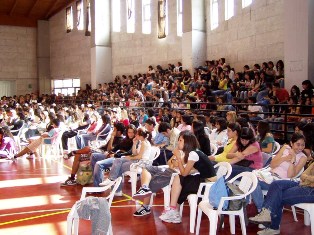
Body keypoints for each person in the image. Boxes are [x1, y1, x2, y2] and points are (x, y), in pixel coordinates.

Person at [132, 131, 216, 220]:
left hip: (207, 184)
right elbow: (176, 165)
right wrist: (177, 159)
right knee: (150, 171)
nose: (178, 142)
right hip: (201, 179)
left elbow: (184, 172)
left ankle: (168, 209)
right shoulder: (192, 152)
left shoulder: (193, 154)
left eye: (180, 140)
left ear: (187, 143)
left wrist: (178, 158)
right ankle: (170, 208)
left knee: (176, 178)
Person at [249, 162, 314, 235]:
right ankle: (267, 213)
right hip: (302, 184)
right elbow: (303, 175)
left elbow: (305, 176)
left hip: (311, 190)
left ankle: (273, 227)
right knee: (276, 184)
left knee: (278, 196)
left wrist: (307, 178)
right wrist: (308, 178)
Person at [251, 133, 307, 212]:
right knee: (250, 178)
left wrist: (293, 160)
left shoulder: (303, 157)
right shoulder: (285, 148)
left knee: (253, 181)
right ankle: (262, 208)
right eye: (298, 144)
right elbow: (272, 164)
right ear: (291, 143)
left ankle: (261, 209)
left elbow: (290, 176)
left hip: (280, 182)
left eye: (303, 145)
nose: (300, 147)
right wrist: (285, 158)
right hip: (270, 175)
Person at [99, 128, 152, 195]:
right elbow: (135, 153)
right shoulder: (141, 142)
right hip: (137, 160)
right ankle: (112, 181)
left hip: (141, 162)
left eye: (137, 134)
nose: (135, 136)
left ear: (140, 136)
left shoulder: (144, 143)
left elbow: (140, 156)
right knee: (117, 160)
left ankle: (115, 186)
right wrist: (134, 144)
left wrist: (129, 157)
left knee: (118, 167)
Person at [91, 124, 136, 188]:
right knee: (94, 156)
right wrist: (112, 138)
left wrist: (115, 154)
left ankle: (98, 186)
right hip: (114, 156)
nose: (130, 134)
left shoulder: (134, 141)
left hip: (120, 158)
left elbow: (129, 153)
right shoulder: (124, 140)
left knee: (99, 164)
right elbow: (112, 149)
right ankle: (97, 179)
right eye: (129, 132)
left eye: (132, 132)